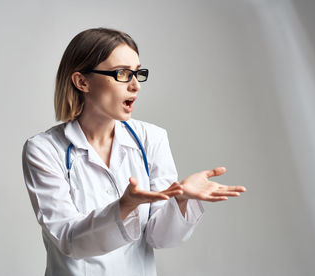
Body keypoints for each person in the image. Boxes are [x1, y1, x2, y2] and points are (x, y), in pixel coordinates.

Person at [22, 27, 246, 276]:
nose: (135, 86)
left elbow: (160, 238)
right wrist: (124, 206)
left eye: (138, 74)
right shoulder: (44, 150)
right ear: (82, 81)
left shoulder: (152, 138)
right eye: (122, 74)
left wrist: (181, 199)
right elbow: (68, 240)